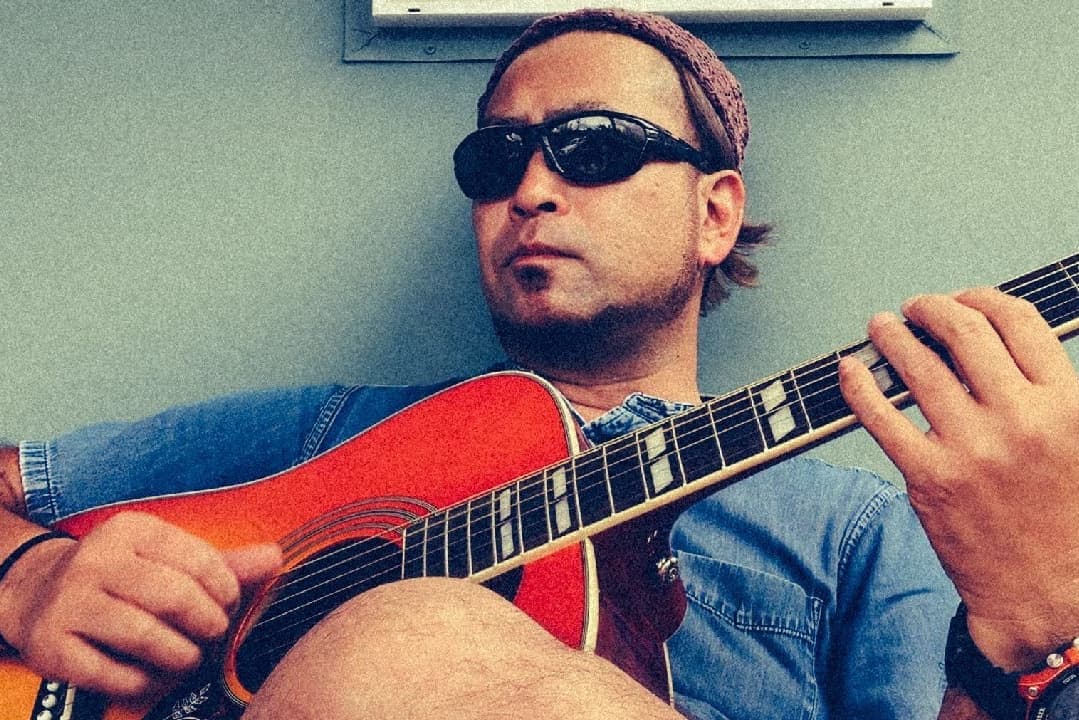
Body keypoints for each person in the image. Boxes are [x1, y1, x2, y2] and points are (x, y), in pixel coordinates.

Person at [0, 7, 1065, 720]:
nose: (532, 190)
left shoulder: (852, 528)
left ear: (713, 214)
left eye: (595, 148)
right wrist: (31, 574)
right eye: (496, 157)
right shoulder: (329, 433)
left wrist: (1020, 639)